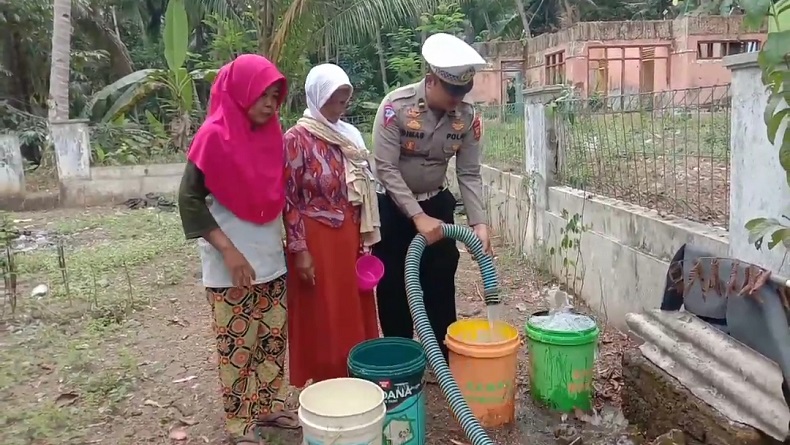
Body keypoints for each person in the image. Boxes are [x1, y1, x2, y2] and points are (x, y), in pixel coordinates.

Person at [177, 54, 298, 444]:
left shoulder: (272, 136)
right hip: (230, 266)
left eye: (275, 95)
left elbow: (277, 195)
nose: (269, 102)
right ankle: (240, 424)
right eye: (262, 94)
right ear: (240, 90)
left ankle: (270, 408)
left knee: (271, 340)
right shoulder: (212, 136)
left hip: (269, 260)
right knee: (237, 347)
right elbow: (189, 199)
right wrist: (228, 251)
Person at [372, 33, 492, 366]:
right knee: (395, 283)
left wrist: (478, 223)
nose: (457, 97)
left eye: (463, 91)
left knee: (440, 277)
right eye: (452, 89)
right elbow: (385, 167)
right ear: (431, 80)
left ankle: (442, 358)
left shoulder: (466, 118)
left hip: (437, 203)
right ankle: (401, 359)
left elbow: (468, 173)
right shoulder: (395, 108)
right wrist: (416, 216)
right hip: (394, 210)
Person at [284, 63, 381, 388]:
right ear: (316, 97)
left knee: (351, 305)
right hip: (316, 239)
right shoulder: (296, 139)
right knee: (323, 308)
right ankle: (327, 377)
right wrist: (300, 250)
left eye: (344, 100)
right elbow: (289, 199)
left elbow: (364, 187)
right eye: (334, 100)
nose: (340, 108)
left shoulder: (349, 136)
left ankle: (355, 369)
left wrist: (365, 236)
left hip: (350, 235)